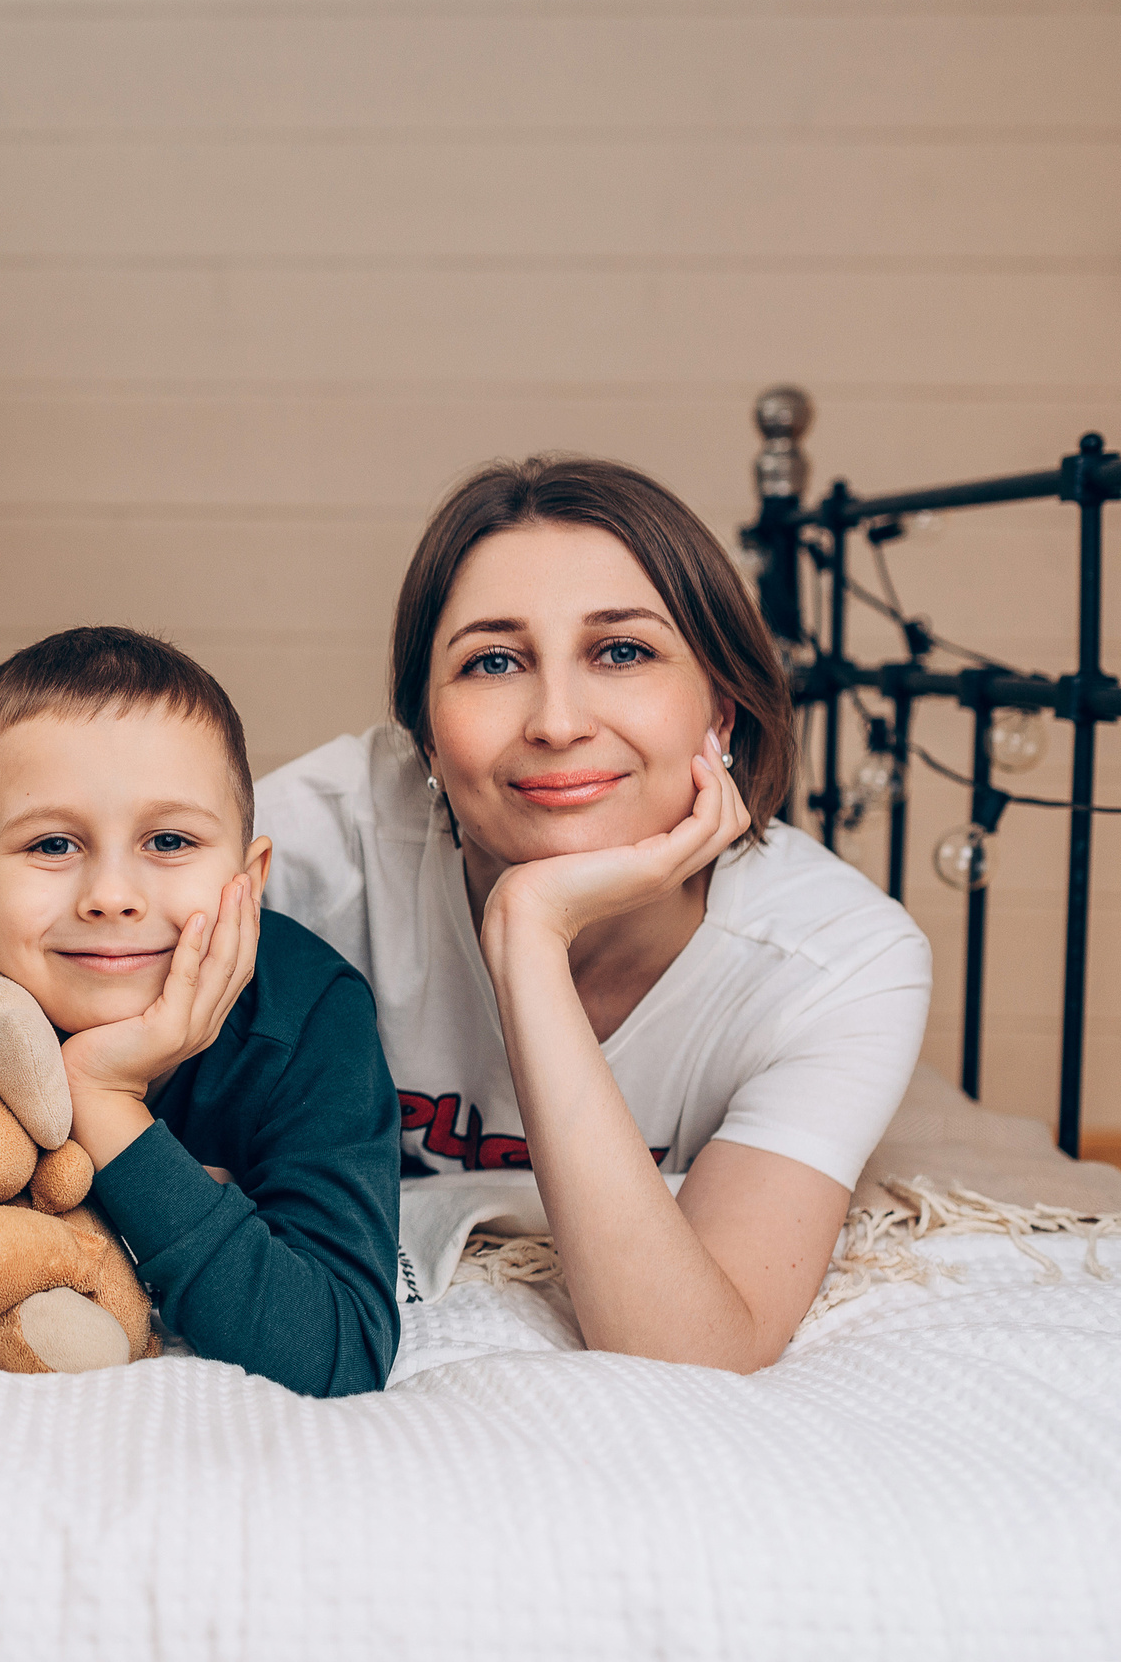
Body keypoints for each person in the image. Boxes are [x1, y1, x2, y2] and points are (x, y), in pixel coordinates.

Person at [257, 455, 931, 1374]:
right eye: (492, 661)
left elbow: (692, 1350)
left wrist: (527, 934)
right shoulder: (306, 848)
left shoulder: (835, 962)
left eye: (624, 651)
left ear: (721, 712)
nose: (558, 722)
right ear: (422, 732)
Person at [0, 628, 401, 1394]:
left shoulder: (311, 1018)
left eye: (168, 840)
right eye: (54, 845)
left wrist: (104, 1099)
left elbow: (336, 1351)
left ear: (249, 882)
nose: (110, 896)